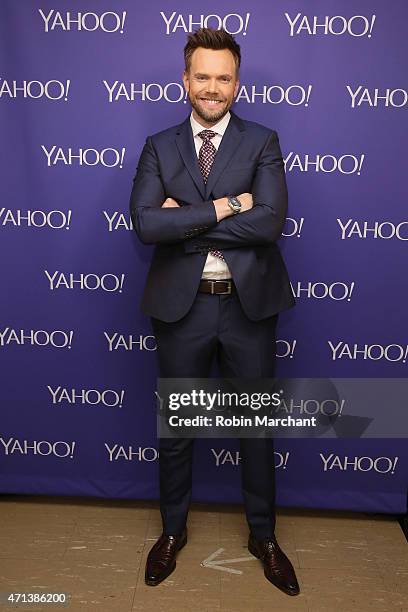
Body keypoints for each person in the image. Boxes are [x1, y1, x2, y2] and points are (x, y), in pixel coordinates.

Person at [129, 27, 299, 596]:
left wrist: (189, 217)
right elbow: (149, 224)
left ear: (236, 83)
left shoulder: (263, 140)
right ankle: (172, 532)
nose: (212, 87)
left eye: (223, 78)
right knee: (177, 429)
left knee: (255, 430)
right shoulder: (159, 144)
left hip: (249, 309)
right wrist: (229, 206)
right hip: (183, 310)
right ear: (185, 80)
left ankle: (263, 537)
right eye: (202, 76)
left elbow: (271, 221)